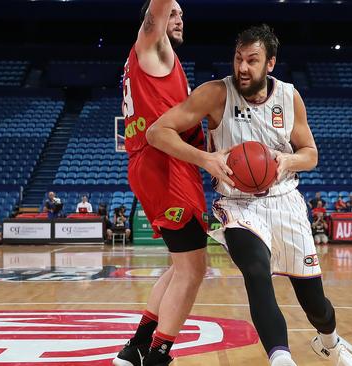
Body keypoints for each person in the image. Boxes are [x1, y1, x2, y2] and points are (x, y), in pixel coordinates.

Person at [147, 24, 352, 366]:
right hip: (237, 205)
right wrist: (206, 159)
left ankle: (329, 342)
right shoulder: (216, 93)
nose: (242, 67)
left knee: (316, 305)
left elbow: (311, 154)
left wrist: (288, 159)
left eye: (252, 60)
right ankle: (280, 358)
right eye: (238, 58)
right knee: (256, 270)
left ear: (270, 63)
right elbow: (157, 132)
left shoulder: (289, 97)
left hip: (285, 200)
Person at [113, 1, 209, 366]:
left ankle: (137, 346)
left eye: (182, 14)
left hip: (155, 162)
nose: (180, 18)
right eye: (173, 13)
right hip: (163, 162)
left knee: (181, 265)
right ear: (153, 20)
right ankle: (157, 355)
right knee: (192, 269)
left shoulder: (155, 59)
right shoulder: (150, 43)